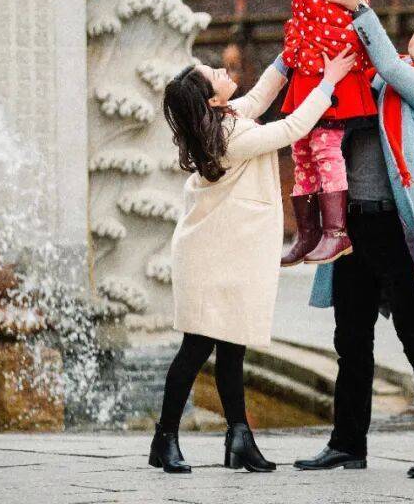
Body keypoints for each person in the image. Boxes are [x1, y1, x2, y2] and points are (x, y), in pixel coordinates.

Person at [150, 46, 358, 474]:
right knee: (197, 347)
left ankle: (239, 439)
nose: (221, 69)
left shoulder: (225, 120)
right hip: (209, 256)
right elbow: (294, 127)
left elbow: (261, 96)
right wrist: (329, 80)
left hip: (227, 251)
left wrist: (292, 52)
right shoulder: (232, 135)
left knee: (232, 345)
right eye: (213, 73)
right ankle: (164, 438)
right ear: (212, 99)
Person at [293, 0, 414, 480]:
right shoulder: (371, 78)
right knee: (350, 340)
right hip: (352, 227)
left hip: (395, 229)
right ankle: (347, 444)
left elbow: (392, 66)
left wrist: (361, 9)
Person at [232, 0, 414, 266]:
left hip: (336, 67)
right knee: (301, 150)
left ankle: (336, 232)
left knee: (325, 147)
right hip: (306, 66)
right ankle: (307, 233)